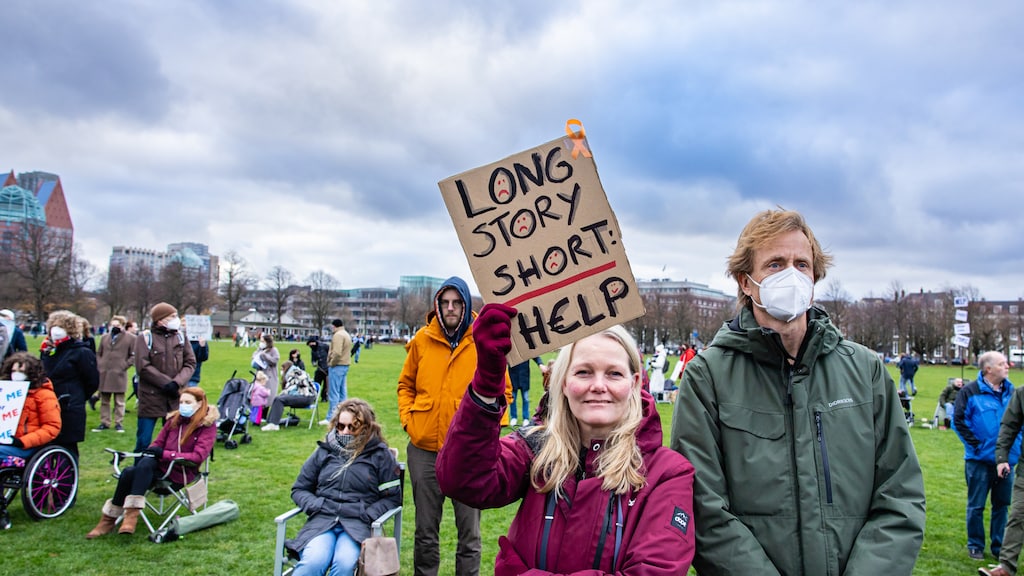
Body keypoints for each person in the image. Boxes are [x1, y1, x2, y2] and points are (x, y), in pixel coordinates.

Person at [670, 208, 926, 575]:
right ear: (745, 281)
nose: (791, 274)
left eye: (801, 264)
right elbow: (703, 507)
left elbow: (900, 493)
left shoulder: (866, 370)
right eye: (775, 264)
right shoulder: (708, 376)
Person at [438, 306, 695, 574]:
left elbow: (656, 570)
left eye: (614, 374)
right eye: (583, 372)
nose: (598, 385)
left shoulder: (668, 473)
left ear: (635, 382)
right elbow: (464, 481)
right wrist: (486, 385)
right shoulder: (536, 448)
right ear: (563, 382)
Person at [397, 276, 511, 576]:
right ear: (437, 305)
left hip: (469, 456)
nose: (450, 308)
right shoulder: (422, 340)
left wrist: (486, 431)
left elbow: (504, 392)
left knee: (470, 535)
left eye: (457, 302)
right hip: (424, 450)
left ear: (466, 305)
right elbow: (405, 385)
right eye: (445, 303)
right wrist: (410, 421)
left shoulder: (482, 341)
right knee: (424, 532)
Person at [286, 398, 402, 576]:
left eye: (352, 427)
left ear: (366, 427)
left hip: (356, 524)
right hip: (322, 521)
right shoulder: (325, 451)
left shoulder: (380, 455)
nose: (345, 431)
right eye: (340, 426)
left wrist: (367, 514)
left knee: (345, 564)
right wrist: (316, 505)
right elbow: (299, 489)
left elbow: (393, 497)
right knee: (312, 562)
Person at [85, 387, 218, 538]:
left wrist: (165, 454)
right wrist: (154, 450)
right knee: (137, 467)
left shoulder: (207, 426)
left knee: (130, 473)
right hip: (158, 469)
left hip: (180, 472)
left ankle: (112, 520)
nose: (183, 405)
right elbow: (157, 443)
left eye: (188, 402)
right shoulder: (173, 420)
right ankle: (127, 516)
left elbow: (197, 456)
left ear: (200, 404)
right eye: (181, 402)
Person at [956, 351, 1020, 561]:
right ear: (988, 369)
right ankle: (975, 544)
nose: (1007, 366)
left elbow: (1017, 423)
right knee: (976, 505)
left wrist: (1015, 447)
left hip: (1007, 460)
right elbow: (959, 421)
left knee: (1002, 505)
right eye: (1002, 364)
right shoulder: (969, 392)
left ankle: (998, 545)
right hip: (979, 460)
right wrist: (976, 446)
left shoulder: (1013, 392)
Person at [0, 353, 62, 530]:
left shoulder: (43, 395)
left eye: (21, 371)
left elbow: (52, 427)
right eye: (13, 371)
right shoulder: (5, 392)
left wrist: (22, 441)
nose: (16, 375)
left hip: (28, 446)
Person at [134, 303, 196, 454]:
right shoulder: (145, 338)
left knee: (173, 442)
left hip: (175, 398)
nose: (176, 319)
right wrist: (165, 383)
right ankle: (140, 473)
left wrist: (177, 383)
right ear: (160, 320)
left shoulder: (181, 337)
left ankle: (167, 473)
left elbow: (190, 363)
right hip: (151, 398)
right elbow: (143, 366)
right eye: (172, 317)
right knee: (144, 441)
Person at [39, 310, 99, 460]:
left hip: (69, 405)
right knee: (45, 447)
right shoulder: (49, 352)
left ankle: (67, 480)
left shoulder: (82, 352)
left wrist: (77, 396)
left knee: (67, 447)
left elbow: (92, 380)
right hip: (47, 404)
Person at [981, 377, 1024, 576]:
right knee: (1017, 516)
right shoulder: (1022, 393)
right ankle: (1006, 567)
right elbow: (1009, 425)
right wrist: (1002, 458)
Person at [93, 315, 136, 433]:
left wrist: (124, 366)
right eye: (113, 325)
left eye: (117, 325)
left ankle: (119, 423)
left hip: (119, 374)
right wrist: (100, 364)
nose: (114, 327)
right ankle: (104, 422)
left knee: (119, 401)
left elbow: (133, 355)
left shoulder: (131, 338)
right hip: (105, 373)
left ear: (122, 326)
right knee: (104, 400)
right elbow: (99, 352)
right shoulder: (104, 337)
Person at [261, 362, 319, 432]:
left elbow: (289, 390)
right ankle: (270, 421)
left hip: (305, 396)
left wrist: (280, 395)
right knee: (278, 398)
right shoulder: (296, 371)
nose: (281, 371)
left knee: (279, 399)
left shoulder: (294, 374)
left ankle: (273, 424)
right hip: (306, 396)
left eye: (282, 369)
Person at [325, 319, 353, 422]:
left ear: (334, 326)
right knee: (342, 392)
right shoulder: (346, 334)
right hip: (345, 364)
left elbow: (336, 352)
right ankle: (344, 415)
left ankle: (331, 417)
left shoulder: (338, 335)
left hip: (337, 365)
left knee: (334, 392)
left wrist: (331, 363)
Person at [507, 356, 543, 427]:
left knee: (525, 399)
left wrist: (540, 364)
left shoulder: (525, 348)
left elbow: (534, 355)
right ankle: (514, 417)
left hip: (524, 376)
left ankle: (525, 418)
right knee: (513, 399)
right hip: (513, 376)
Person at [181, 317, 209, 389]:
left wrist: (202, 346)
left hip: (192, 376)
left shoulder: (199, 340)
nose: (184, 326)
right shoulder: (177, 339)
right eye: (182, 324)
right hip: (176, 375)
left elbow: (203, 357)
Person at [258, 334, 281, 406]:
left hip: (270, 377)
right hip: (260, 376)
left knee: (268, 398)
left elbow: (274, 360)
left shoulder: (274, 350)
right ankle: (259, 416)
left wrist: (264, 356)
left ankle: (264, 415)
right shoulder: (260, 349)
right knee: (258, 397)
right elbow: (254, 356)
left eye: (263, 341)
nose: (261, 343)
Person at [307, 336, 330, 402]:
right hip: (320, 369)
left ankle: (324, 397)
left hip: (327, 368)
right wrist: (313, 362)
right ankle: (314, 396)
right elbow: (313, 359)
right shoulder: (313, 350)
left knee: (326, 384)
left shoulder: (325, 346)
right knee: (316, 383)